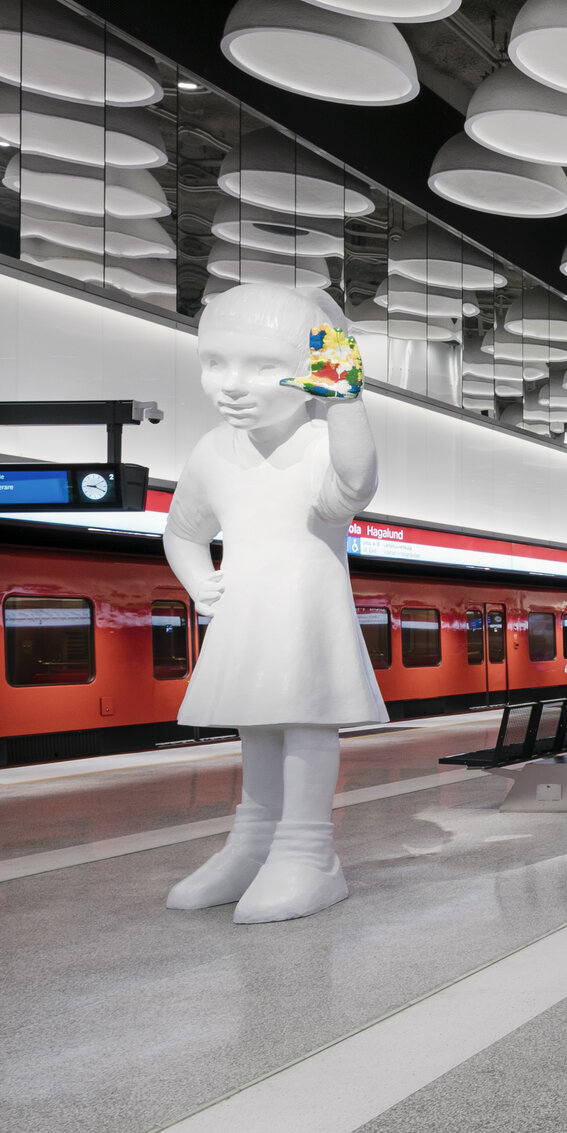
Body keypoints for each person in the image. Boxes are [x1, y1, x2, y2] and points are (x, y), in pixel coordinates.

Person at [161, 282, 384, 923]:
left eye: (263, 367)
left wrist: (345, 399)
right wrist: (200, 581)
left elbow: (352, 487)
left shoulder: (318, 446)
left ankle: (308, 848)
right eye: (214, 362)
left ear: (312, 372)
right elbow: (183, 531)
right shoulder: (212, 451)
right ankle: (255, 840)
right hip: (246, 605)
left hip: (305, 601)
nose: (232, 385)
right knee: (255, 721)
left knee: (307, 715)